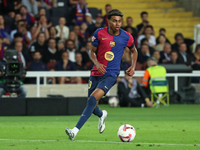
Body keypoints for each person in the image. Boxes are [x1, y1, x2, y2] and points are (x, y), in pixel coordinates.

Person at [65, 9, 138, 141]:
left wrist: (133, 66)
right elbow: (92, 52)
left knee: (92, 99)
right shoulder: (99, 33)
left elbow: (134, 51)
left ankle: (74, 131)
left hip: (111, 74)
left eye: (120, 21)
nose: (117, 23)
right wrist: (97, 63)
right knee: (91, 105)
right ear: (108, 21)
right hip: (95, 73)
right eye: (115, 20)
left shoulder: (126, 36)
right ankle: (101, 115)